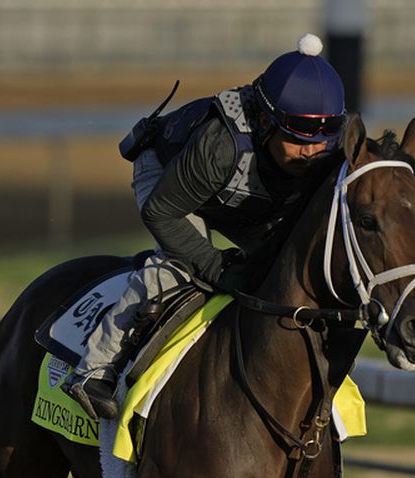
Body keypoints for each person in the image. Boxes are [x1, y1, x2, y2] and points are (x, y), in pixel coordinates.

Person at [63, 33, 349, 422]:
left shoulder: (321, 147)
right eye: (297, 134)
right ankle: (94, 369)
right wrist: (217, 267)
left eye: (326, 132)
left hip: (240, 192)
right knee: (180, 270)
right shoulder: (220, 146)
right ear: (266, 121)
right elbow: (163, 213)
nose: (313, 149)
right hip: (169, 178)